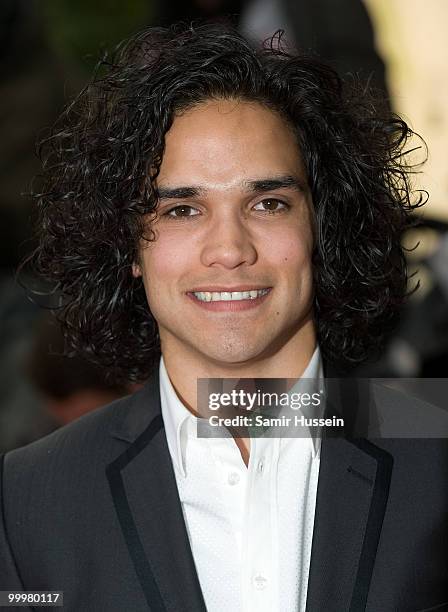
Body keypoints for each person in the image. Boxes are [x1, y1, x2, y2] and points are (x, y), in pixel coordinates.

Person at [1, 22, 447, 612]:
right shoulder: (29, 499)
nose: (230, 249)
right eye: (183, 209)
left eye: (267, 203)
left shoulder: (436, 464)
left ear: (322, 224)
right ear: (129, 245)